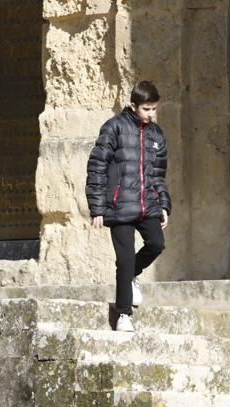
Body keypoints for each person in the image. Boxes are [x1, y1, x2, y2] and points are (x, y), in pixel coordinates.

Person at [86, 80, 170, 334]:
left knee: (157, 244)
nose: (151, 114)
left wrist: (164, 203)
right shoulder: (114, 128)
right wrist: (98, 208)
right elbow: (97, 167)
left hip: (148, 206)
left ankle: (131, 275)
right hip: (119, 206)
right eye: (146, 109)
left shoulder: (157, 135)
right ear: (133, 106)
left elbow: (158, 175)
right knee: (123, 260)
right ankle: (123, 314)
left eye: (154, 109)